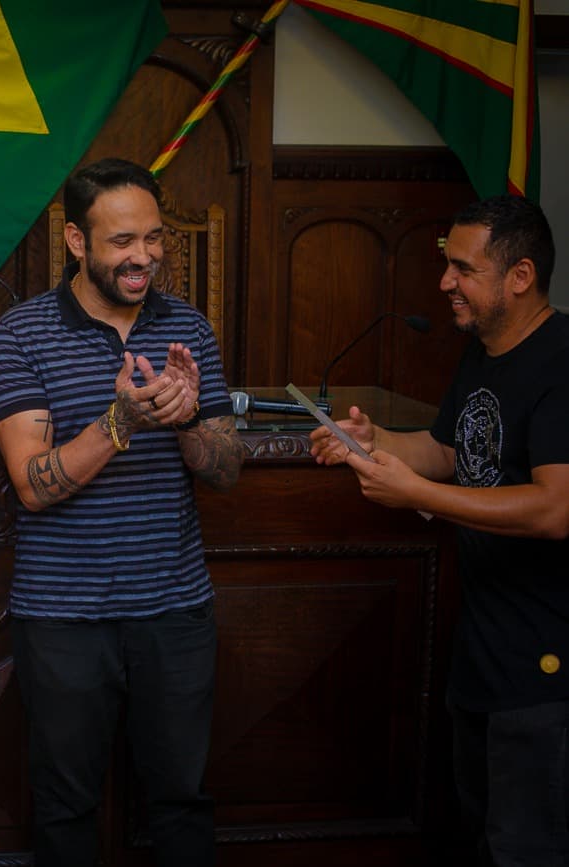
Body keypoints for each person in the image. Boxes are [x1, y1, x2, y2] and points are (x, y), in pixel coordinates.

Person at [0, 158, 245, 866]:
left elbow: (225, 471)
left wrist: (186, 421)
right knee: (66, 809)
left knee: (182, 802)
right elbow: (32, 484)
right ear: (76, 240)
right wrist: (121, 420)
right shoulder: (22, 333)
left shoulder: (188, 327)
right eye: (123, 241)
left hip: (175, 610)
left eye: (153, 238)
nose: (143, 257)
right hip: (63, 616)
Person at [310, 194, 568, 866]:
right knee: (478, 835)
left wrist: (418, 495)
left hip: (545, 667)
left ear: (521, 275)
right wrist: (374, 442)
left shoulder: (561, 361)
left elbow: (554, 508)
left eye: (464, 269)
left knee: (527, 848)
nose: (446, 281)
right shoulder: (483, 350)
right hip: (482, 650)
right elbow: (451, 451)